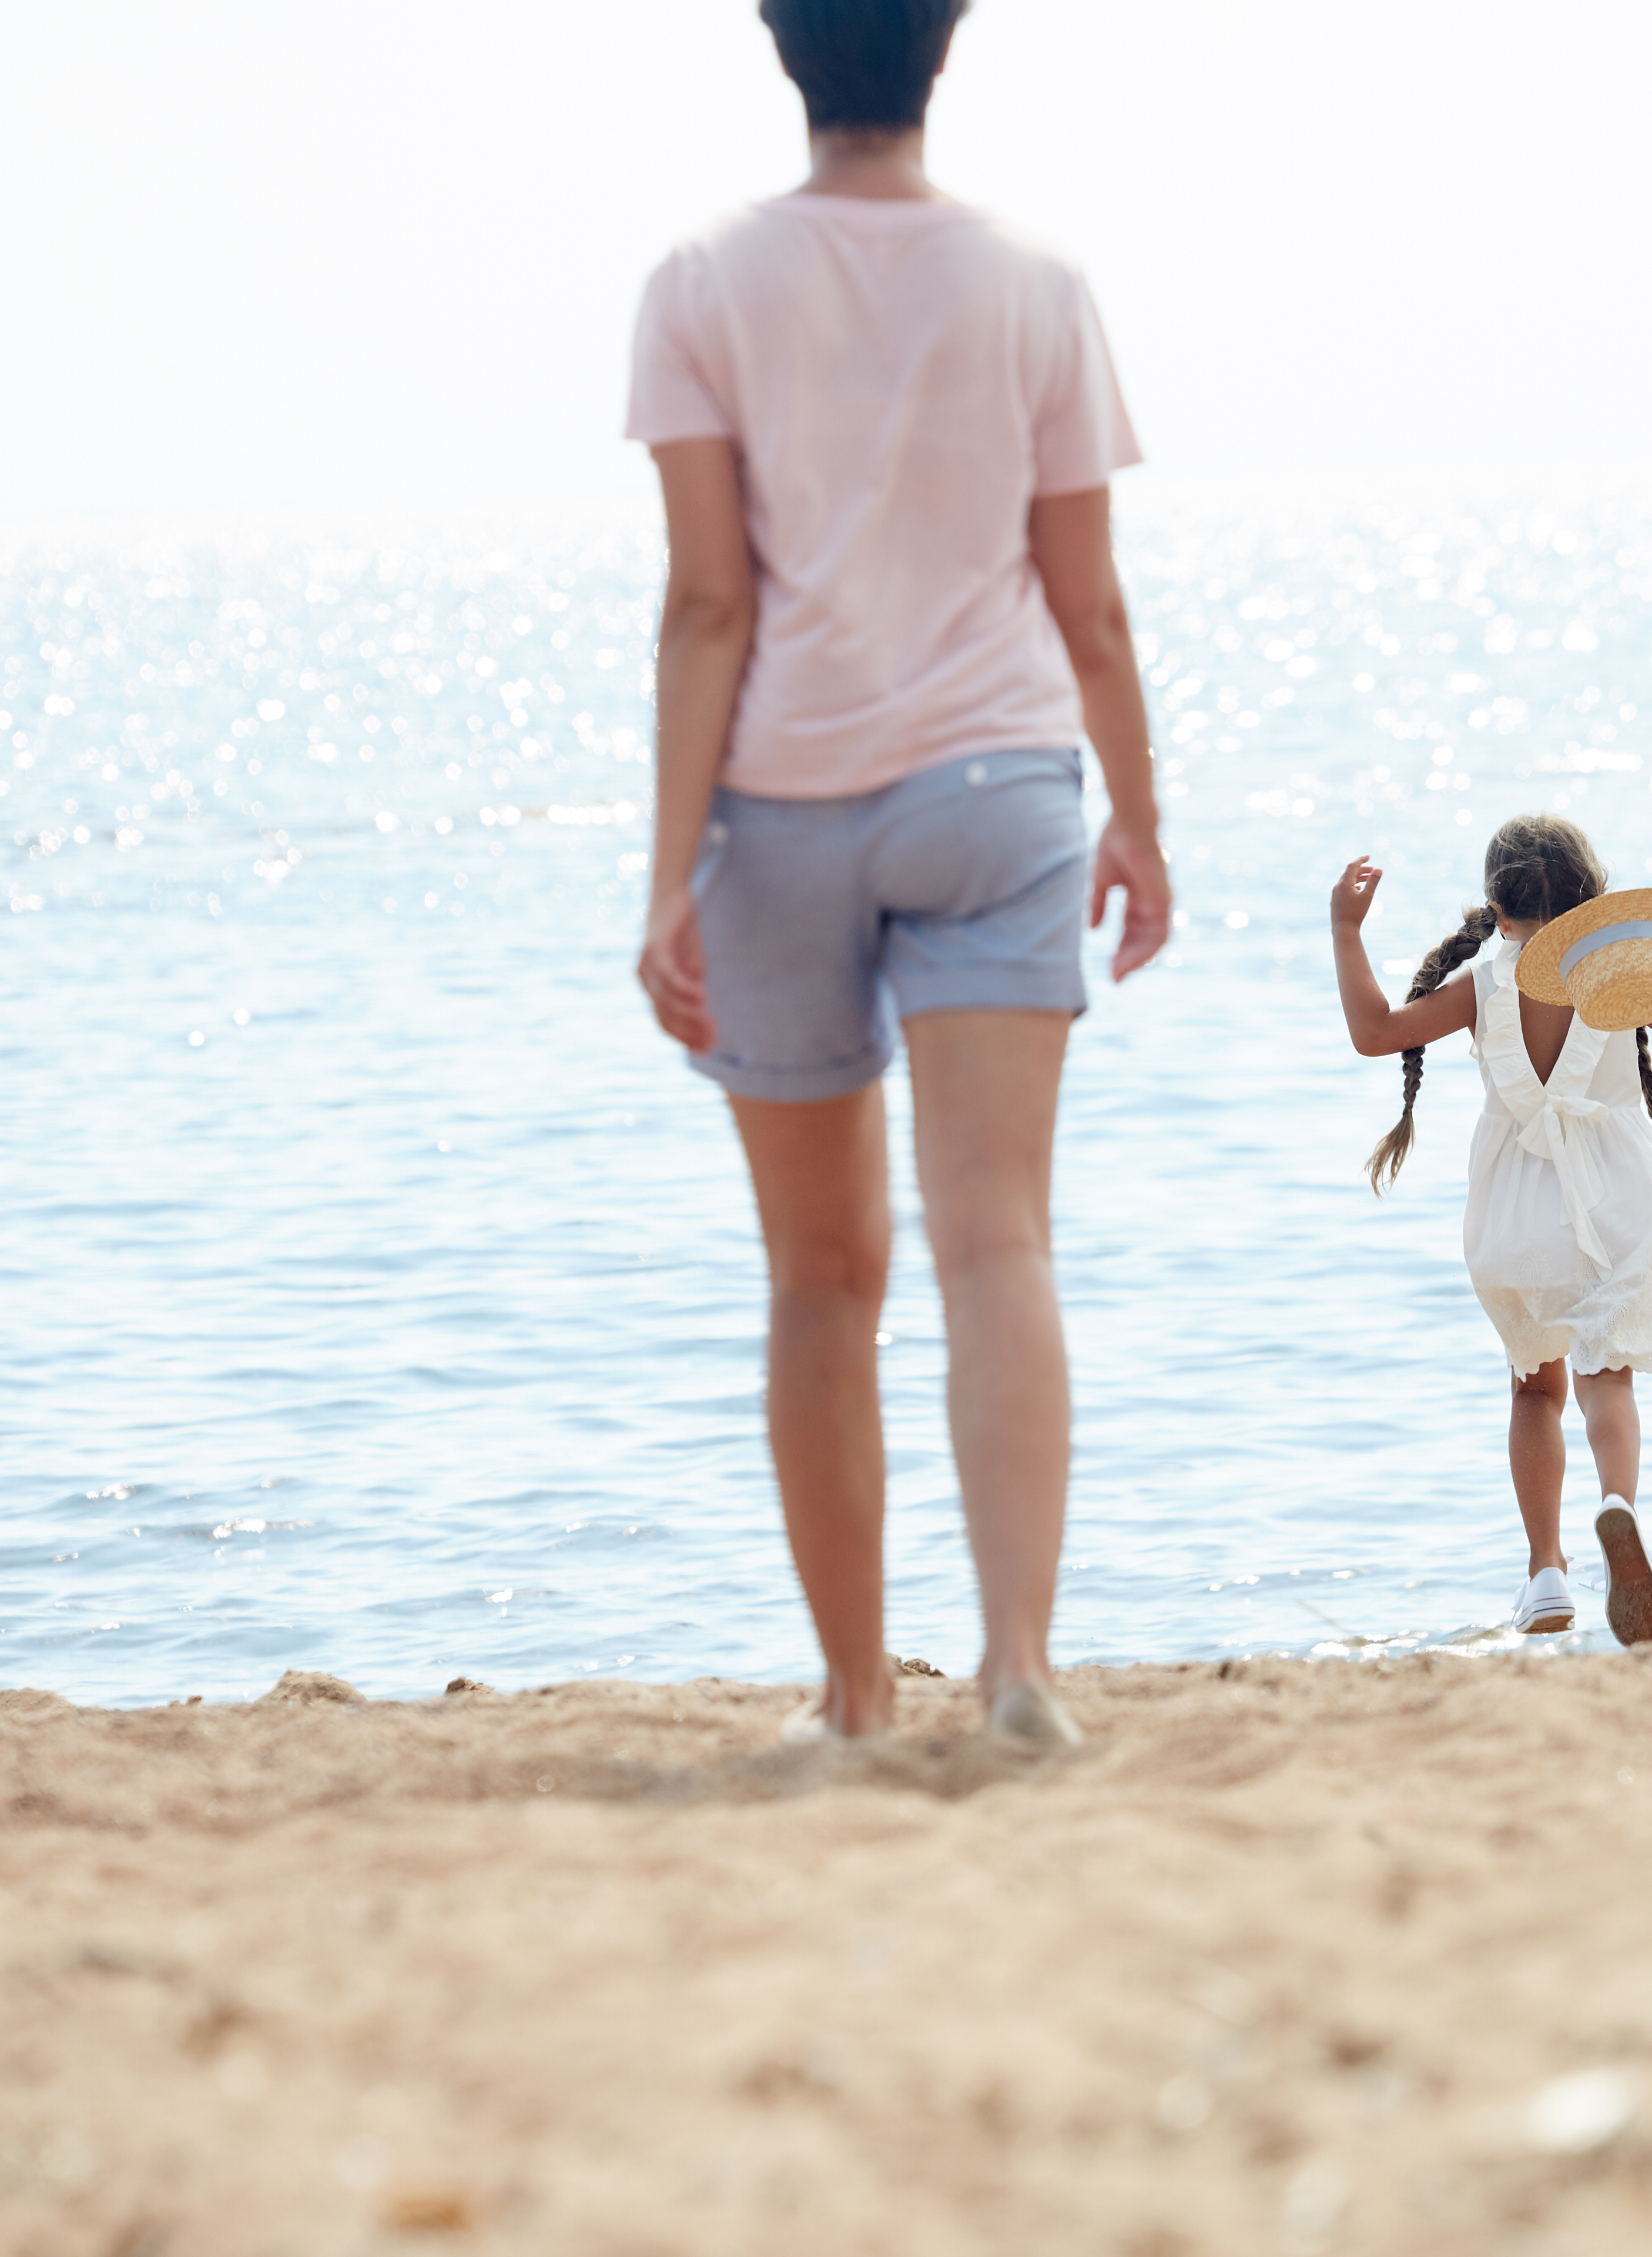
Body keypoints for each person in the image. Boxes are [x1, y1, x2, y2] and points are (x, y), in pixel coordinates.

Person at [626, 0, 1170, 1742]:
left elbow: (711, 602)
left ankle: (855, 1700)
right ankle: (1018, 1672)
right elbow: (1086, 602)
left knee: (819, 1278)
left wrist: (663, 879)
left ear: (786, 52)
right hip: (1000, 787)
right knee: (997, 1242)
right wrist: (1142, 823)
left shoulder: (701, 283)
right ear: (943, 50)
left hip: (779, 808)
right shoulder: (1034, 281)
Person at [1326, 819, 1652, 1646]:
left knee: (1536, 1387)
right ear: (1596, 902)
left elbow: (1375, 1034)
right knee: (1608, 1379)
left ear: (1496, 907)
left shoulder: (1481, 987)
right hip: (1619, 1203)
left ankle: (1546, 1572)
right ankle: (1617, 1506)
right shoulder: (1625, 975)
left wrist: (1347, 931)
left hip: (1516, 1210)